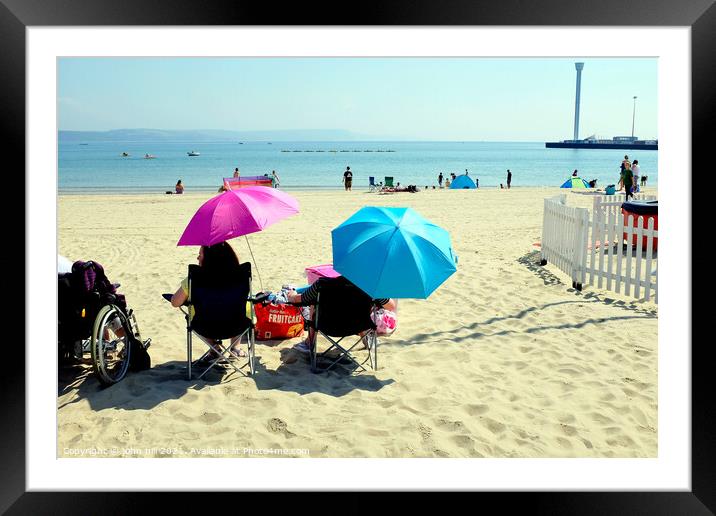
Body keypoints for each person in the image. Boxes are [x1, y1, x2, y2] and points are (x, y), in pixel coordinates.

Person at [171, 242, 246, 360]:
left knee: (200, 310)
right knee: (241, 306)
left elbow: (175, 303)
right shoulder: (241, 276)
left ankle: (215, 348)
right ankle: (235, 347)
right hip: (237, 325)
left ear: (210, 258)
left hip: (205, 326)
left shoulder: (195, 278)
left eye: (200, 254)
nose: (197, 257)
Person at [285, 277, 397, 354]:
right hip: (357, 327)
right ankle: (367, 340)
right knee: (361, 309)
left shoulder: (322, 284)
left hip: (326, 326)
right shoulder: (370, 286)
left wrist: (292, 295)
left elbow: (300, 300)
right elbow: (391, 307)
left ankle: (309, 342)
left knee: (314, 303)